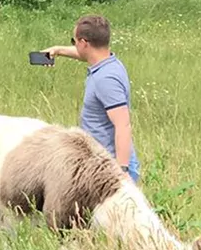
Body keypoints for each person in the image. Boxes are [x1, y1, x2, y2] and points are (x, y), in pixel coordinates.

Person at [39, 13, 140, 181]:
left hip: (110, 167)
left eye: (74, 41)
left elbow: (123, 125)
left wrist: (122, 172)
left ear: (84, 43)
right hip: (99, 163)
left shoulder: (106, 79)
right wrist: (57, 50)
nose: (75, 45)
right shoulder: (109, 62)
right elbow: (83, 54)